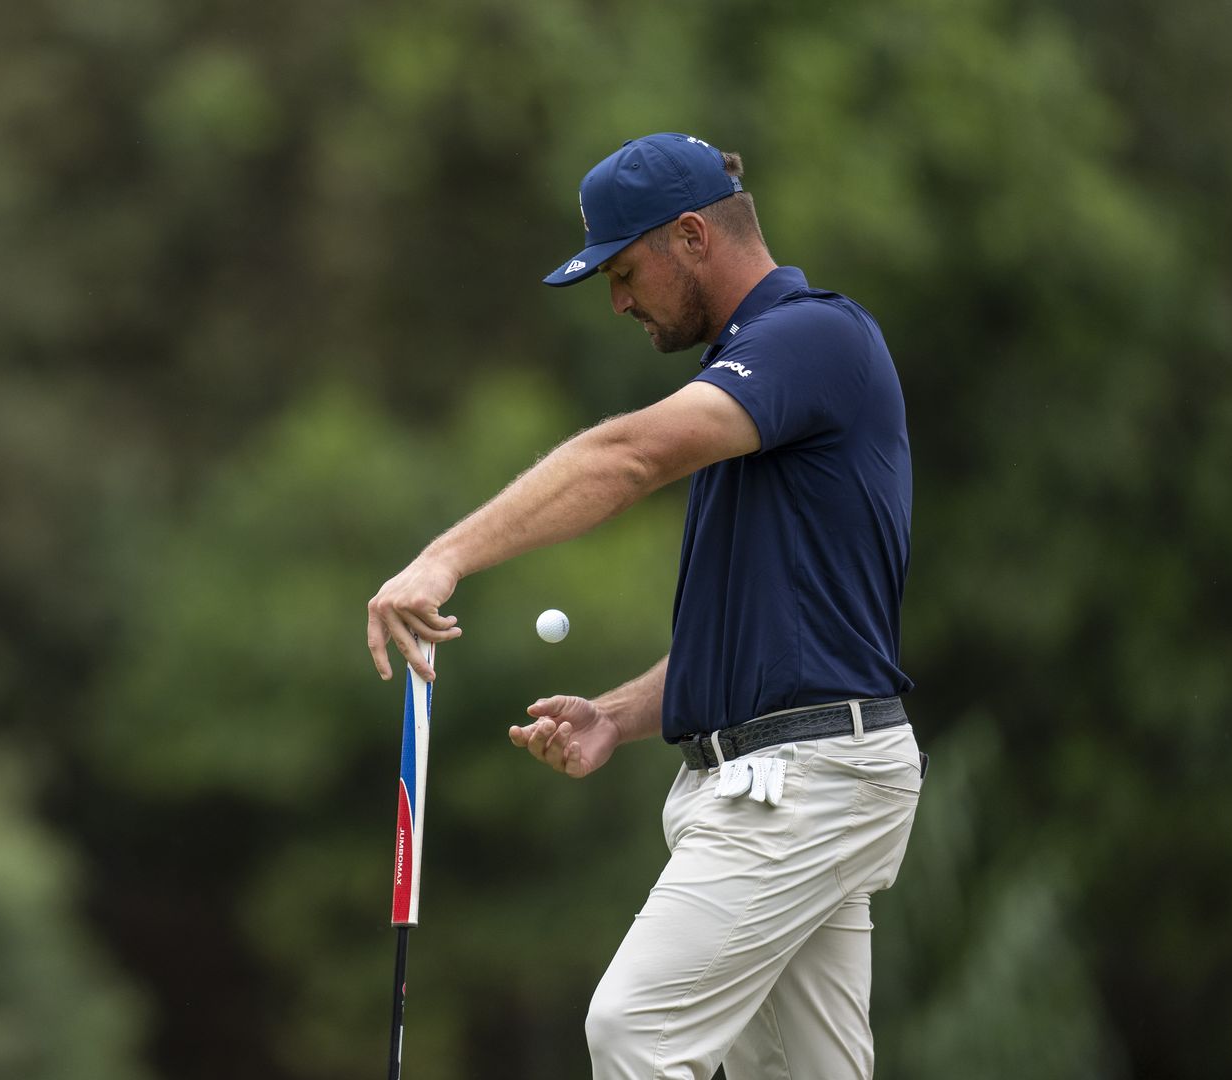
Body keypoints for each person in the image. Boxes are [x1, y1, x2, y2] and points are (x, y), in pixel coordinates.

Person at [363, 133, 923, 1080]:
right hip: (802, 766)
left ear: (694, 235)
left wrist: (443, 559)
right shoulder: (759, 381)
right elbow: (773, 635)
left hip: (803, 778)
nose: (619, 301)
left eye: (625, 271)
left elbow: (624, 458)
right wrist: (617, 717)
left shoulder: (811, 338)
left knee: (635, 1032)